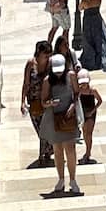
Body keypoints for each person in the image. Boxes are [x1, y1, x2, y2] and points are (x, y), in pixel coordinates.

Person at [39, 53, 81, 194]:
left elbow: (76, 93)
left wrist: (73, 106)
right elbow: (43, 102)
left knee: (70, 149)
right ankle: (61, 178)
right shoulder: (47, 81)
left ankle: (73, 179)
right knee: (57, 150)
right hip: (54, 117)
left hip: (68, 116)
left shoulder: (71, 76)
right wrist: (51, 103)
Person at [20, 40, 53, 165]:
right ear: (39, 53)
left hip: (47, 102)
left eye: (49, 53)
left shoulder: (50, 64)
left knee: (46, 129)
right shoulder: (30, 64)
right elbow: (26, 84)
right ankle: (46, 152)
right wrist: (22, 101)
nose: (48, 56)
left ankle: (43, 155)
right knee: (40, 130)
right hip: (34, 103)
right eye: (46, 54)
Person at [77, 70, 103, 165]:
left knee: (89, 133)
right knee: (84, 132)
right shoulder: (79, 90)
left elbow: (100, 101)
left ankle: (88, 152)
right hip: (82, 113)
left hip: (90, 113)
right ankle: (87, 151)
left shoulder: (93, 90)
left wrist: (92, 111)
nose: (84, 85)